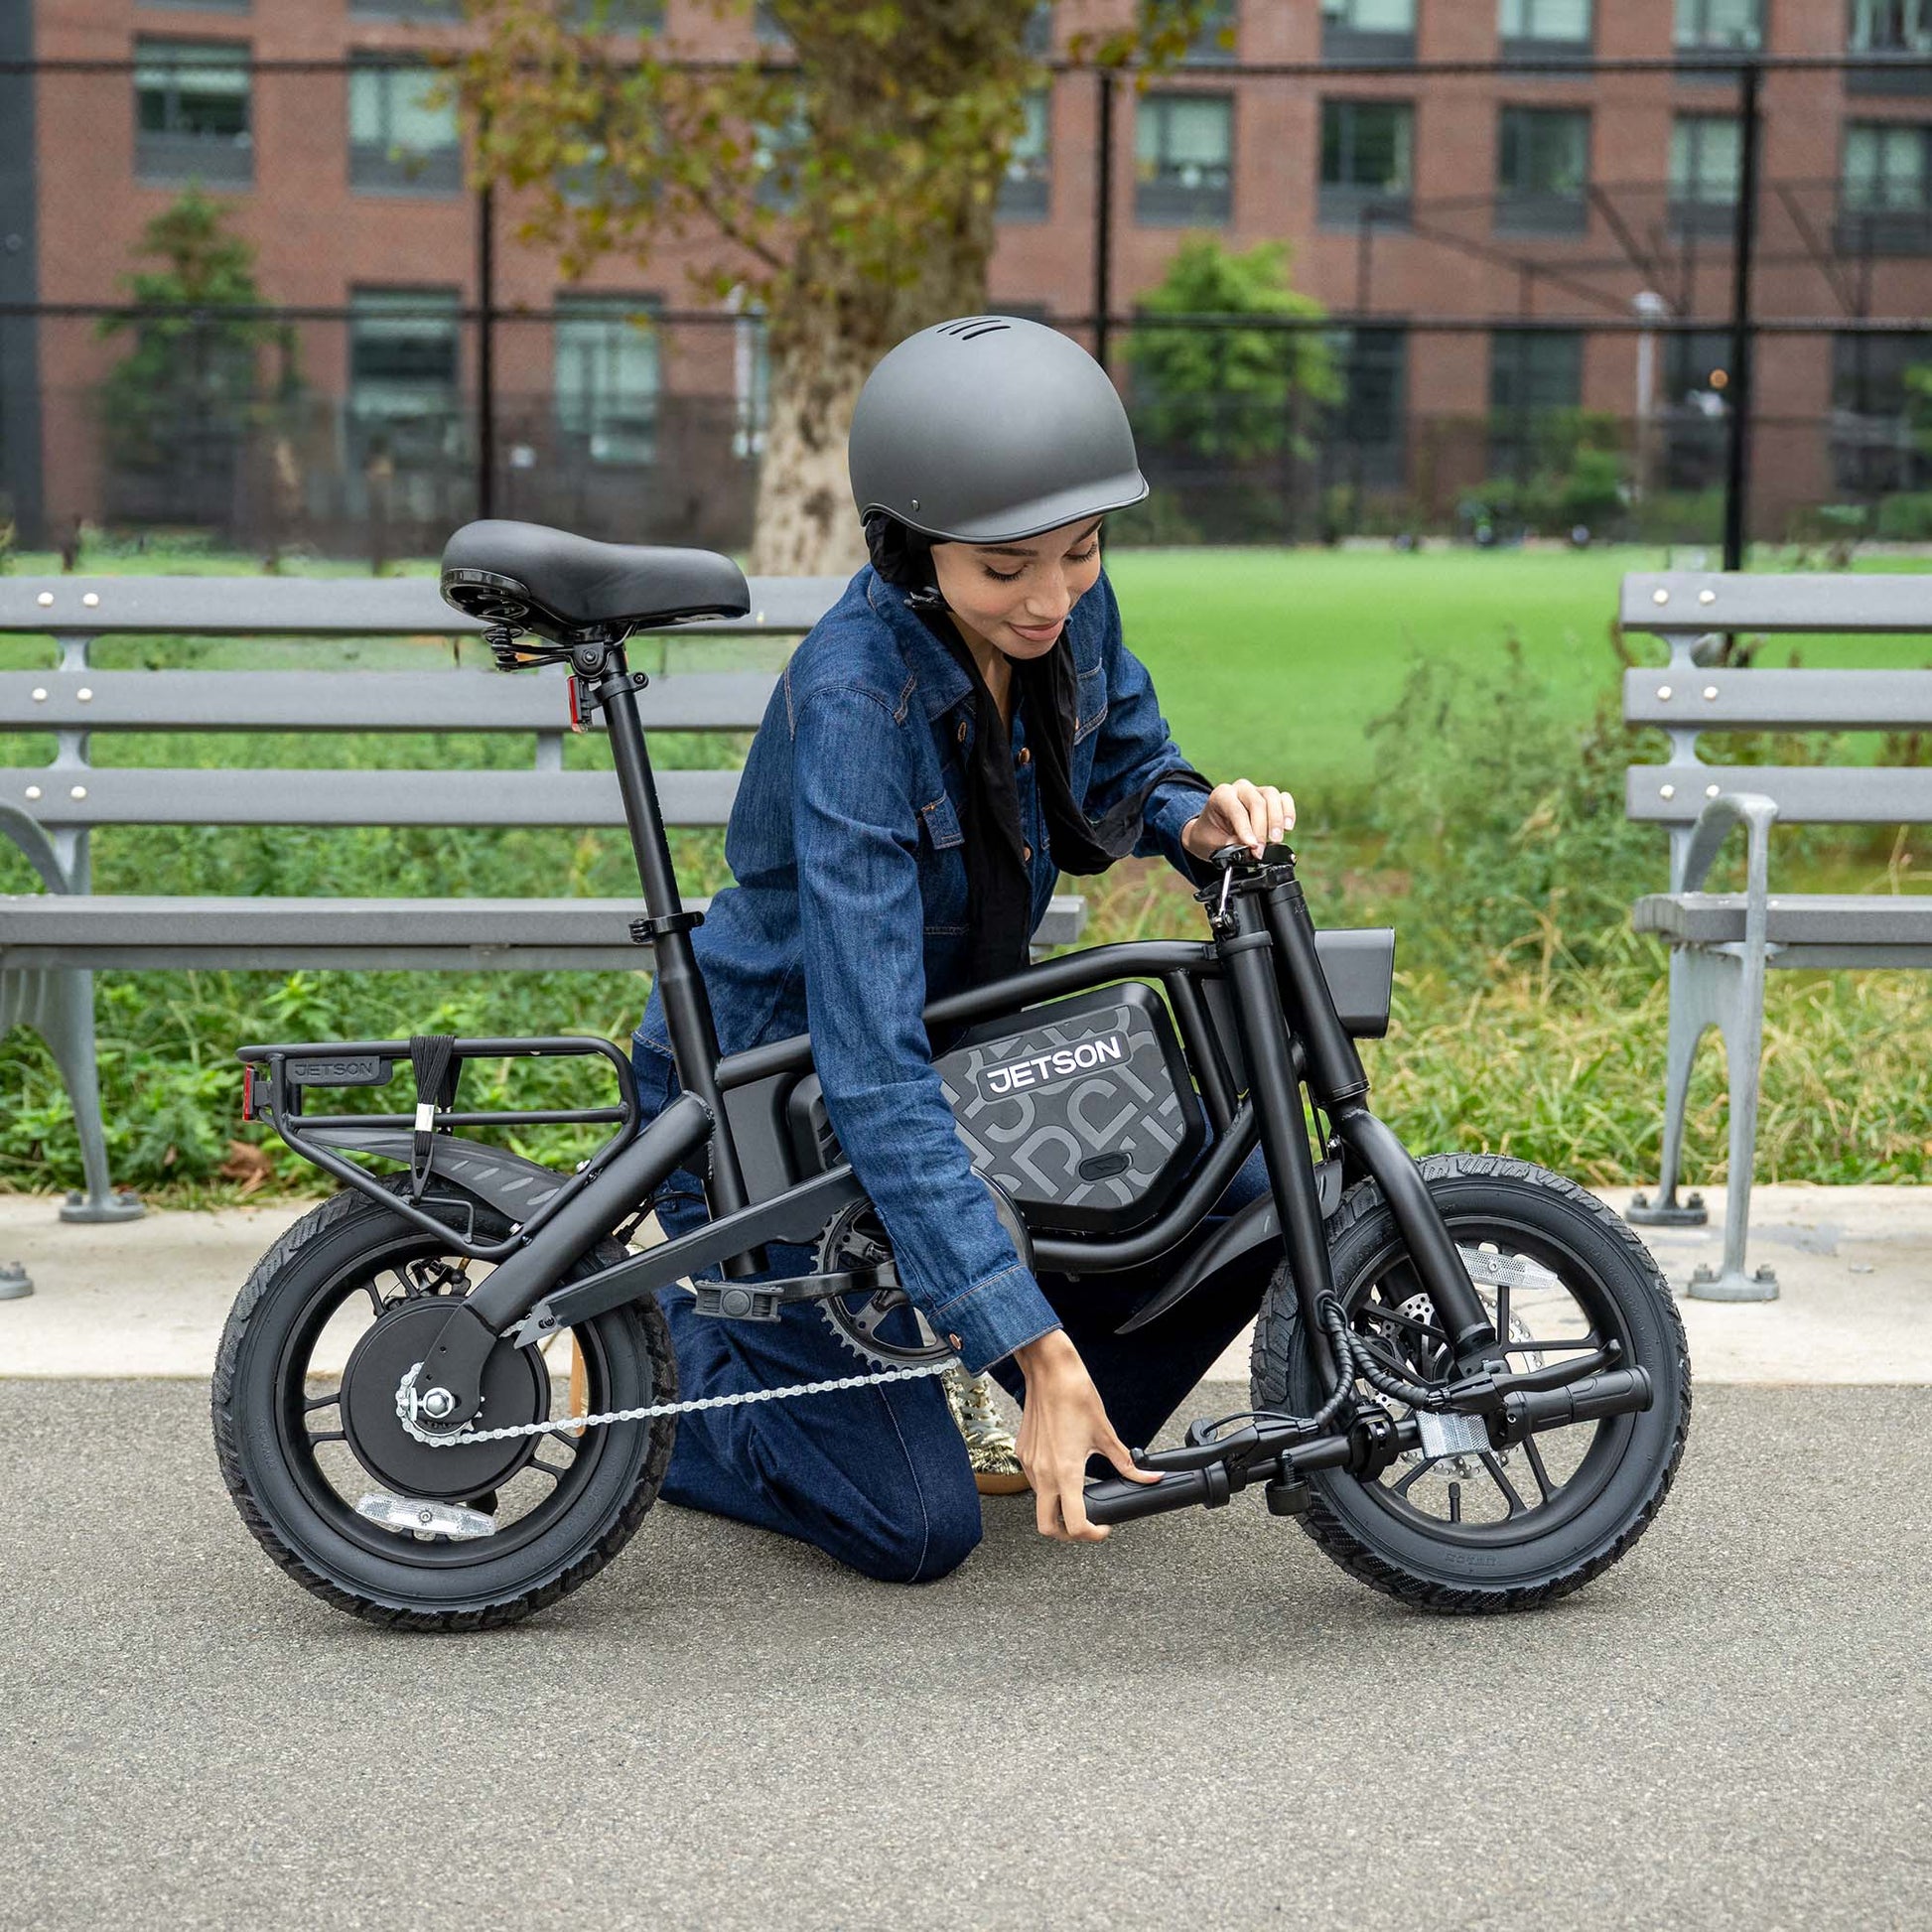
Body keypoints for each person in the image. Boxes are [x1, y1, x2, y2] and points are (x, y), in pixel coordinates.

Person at [628, 316, 1295, 1583]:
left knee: (1253, 1199)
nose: (1049, 596)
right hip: (770, 1121)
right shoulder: (852, 702)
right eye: (1006, 570)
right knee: (916, 1527)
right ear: (911, 549)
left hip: (944, 1064)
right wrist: (1029, 1337)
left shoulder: (1057, 618)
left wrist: (1188, 815)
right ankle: (671, 1362)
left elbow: (1120, 764)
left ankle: (1020, 1400)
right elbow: (866, 1065)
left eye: (1081, 552)